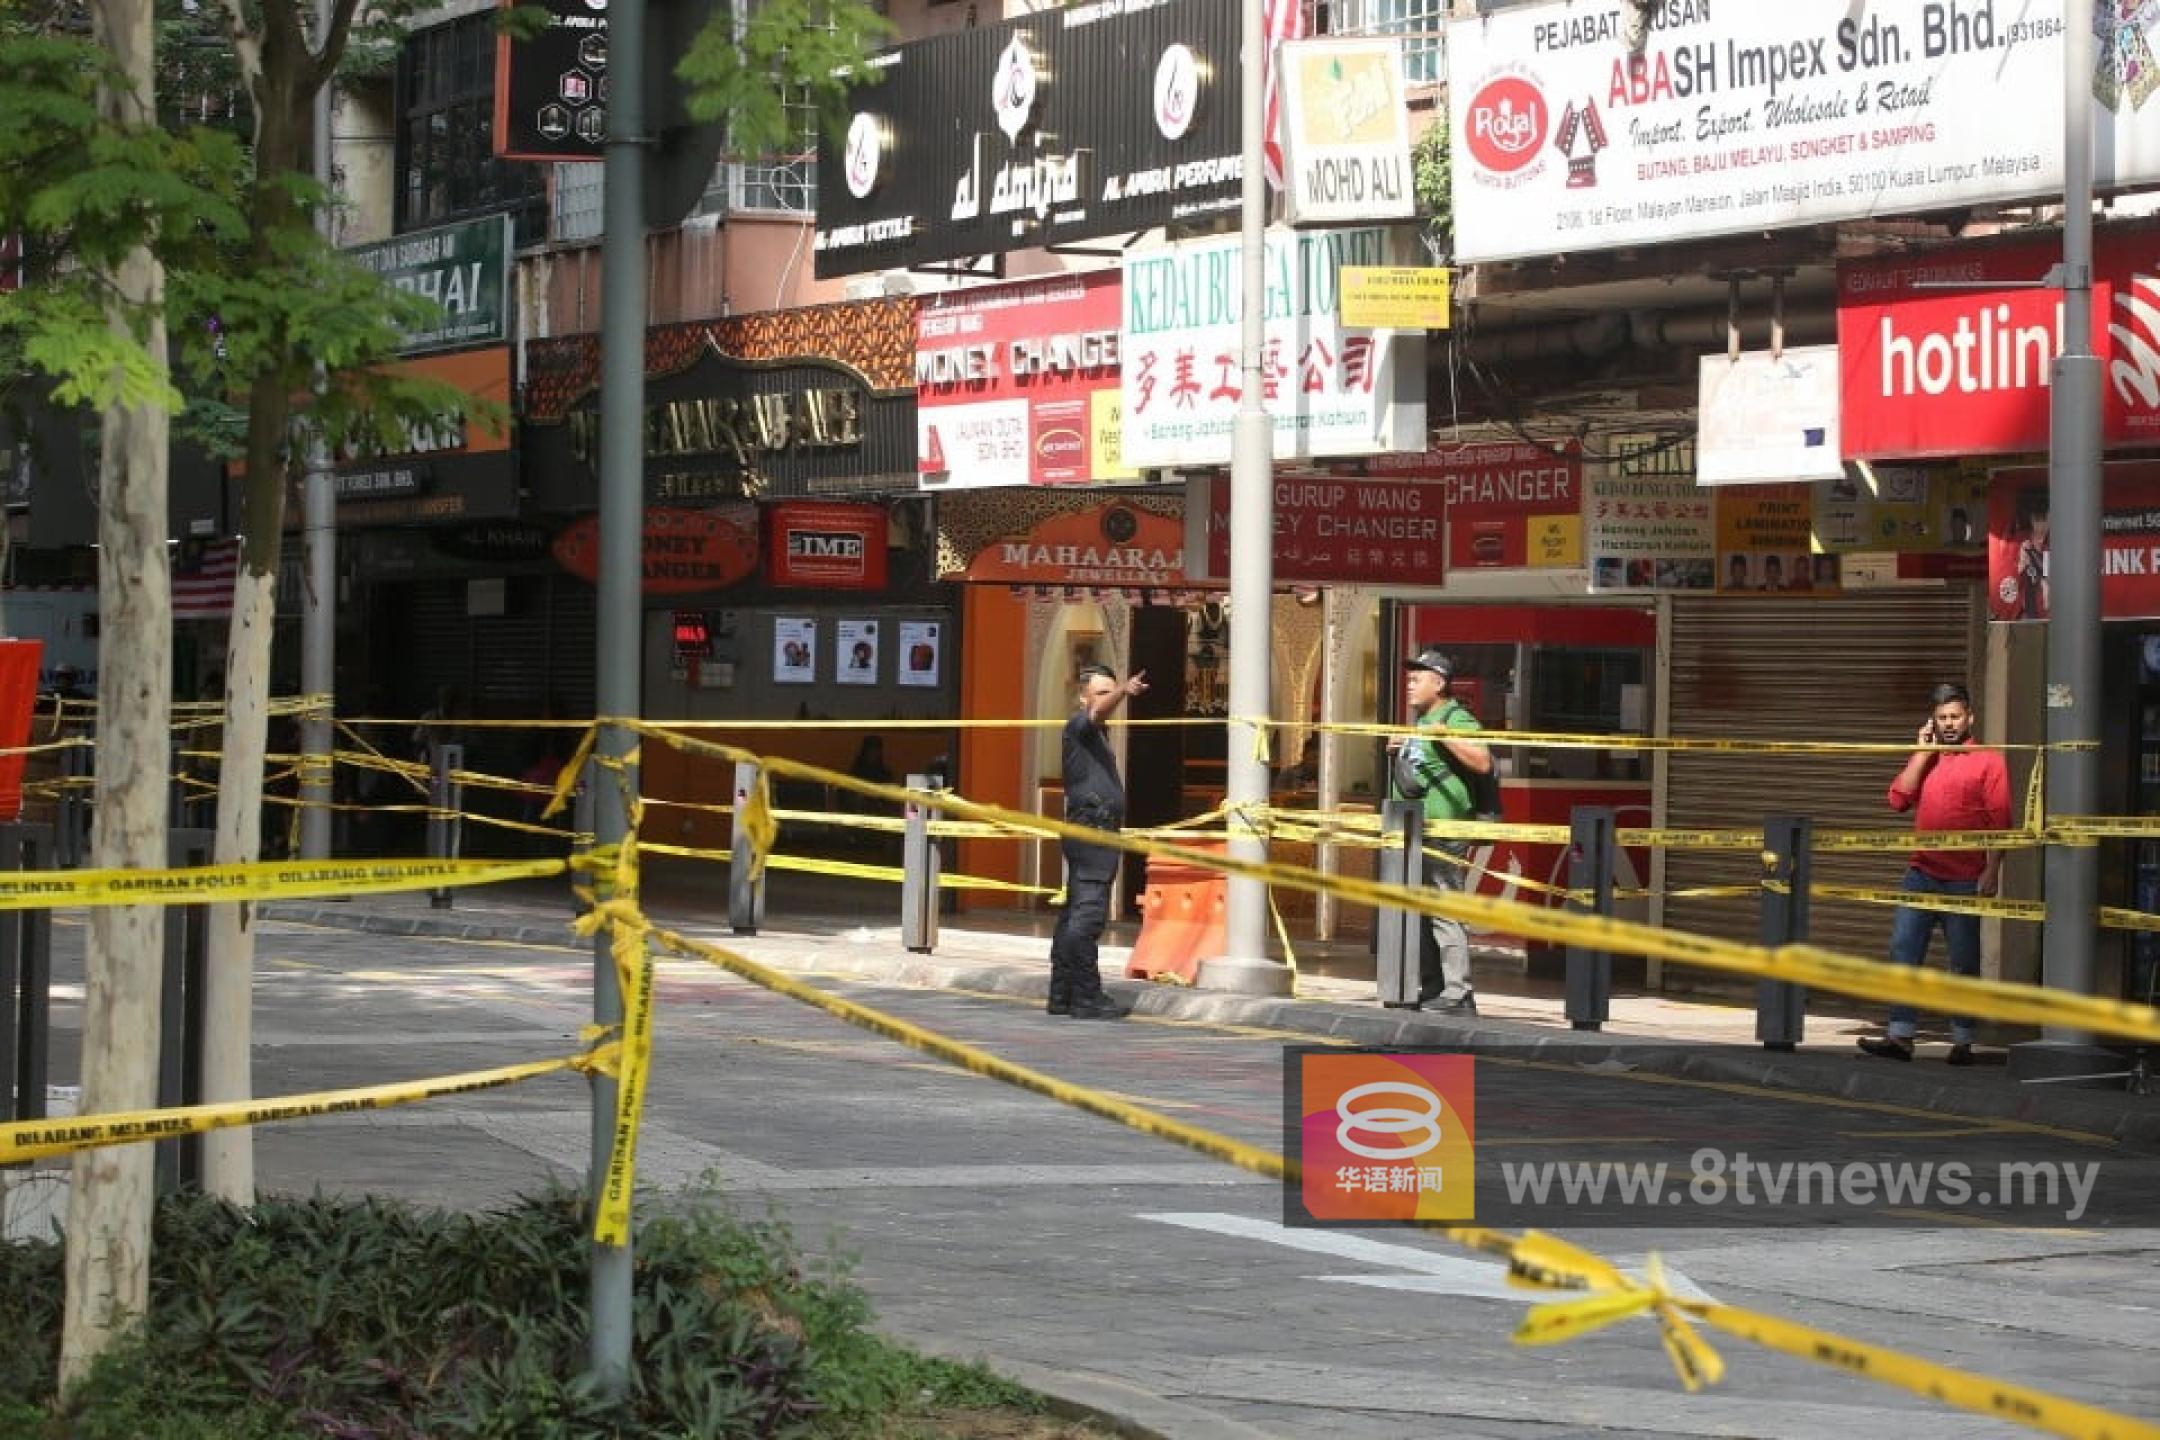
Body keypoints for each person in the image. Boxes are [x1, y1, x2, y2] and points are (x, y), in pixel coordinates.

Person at [1857, 682, 2011, 1066]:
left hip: (1964, 878)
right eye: (1942, 718)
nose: (1948, 724)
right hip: (1920, 873)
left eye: (1955, 717)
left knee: (1962, 961)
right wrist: (1922, 750)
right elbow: (1897, 800)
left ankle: (1962, 1041)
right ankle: (1900, 1036)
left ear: (1970, 718)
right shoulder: (1927, 757)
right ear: (1932, 721)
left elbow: (2001, 822)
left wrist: (1992, 870)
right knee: (1903, 951)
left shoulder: (1989, 760)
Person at [1387, 648, 1493, 1016]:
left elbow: (1482, 761)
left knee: (1445, 911)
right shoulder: (1421, 720)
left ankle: (1457, 993)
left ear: (1441, 683)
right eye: (1409, 679)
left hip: (1443, 828)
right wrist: (1403, 747)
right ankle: (1433, 989)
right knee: (1420, 913)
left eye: (1418, 679)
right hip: (1414, 828)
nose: (1410, 685)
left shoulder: (1455, 717)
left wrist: (1444, 734)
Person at [1047, 663, 1147, 1019]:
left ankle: (1063, 993)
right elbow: (1096, 711)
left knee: (1074, 916)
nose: (1108, 700)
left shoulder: (1094, 736)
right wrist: (1122, 691)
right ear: (1083, 697)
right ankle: (1086, 996)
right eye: (1101, 692)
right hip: (1093, 834)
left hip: (1092, 833)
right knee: (1086, 918)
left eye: (1111, 691)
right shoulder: (1079, 725)